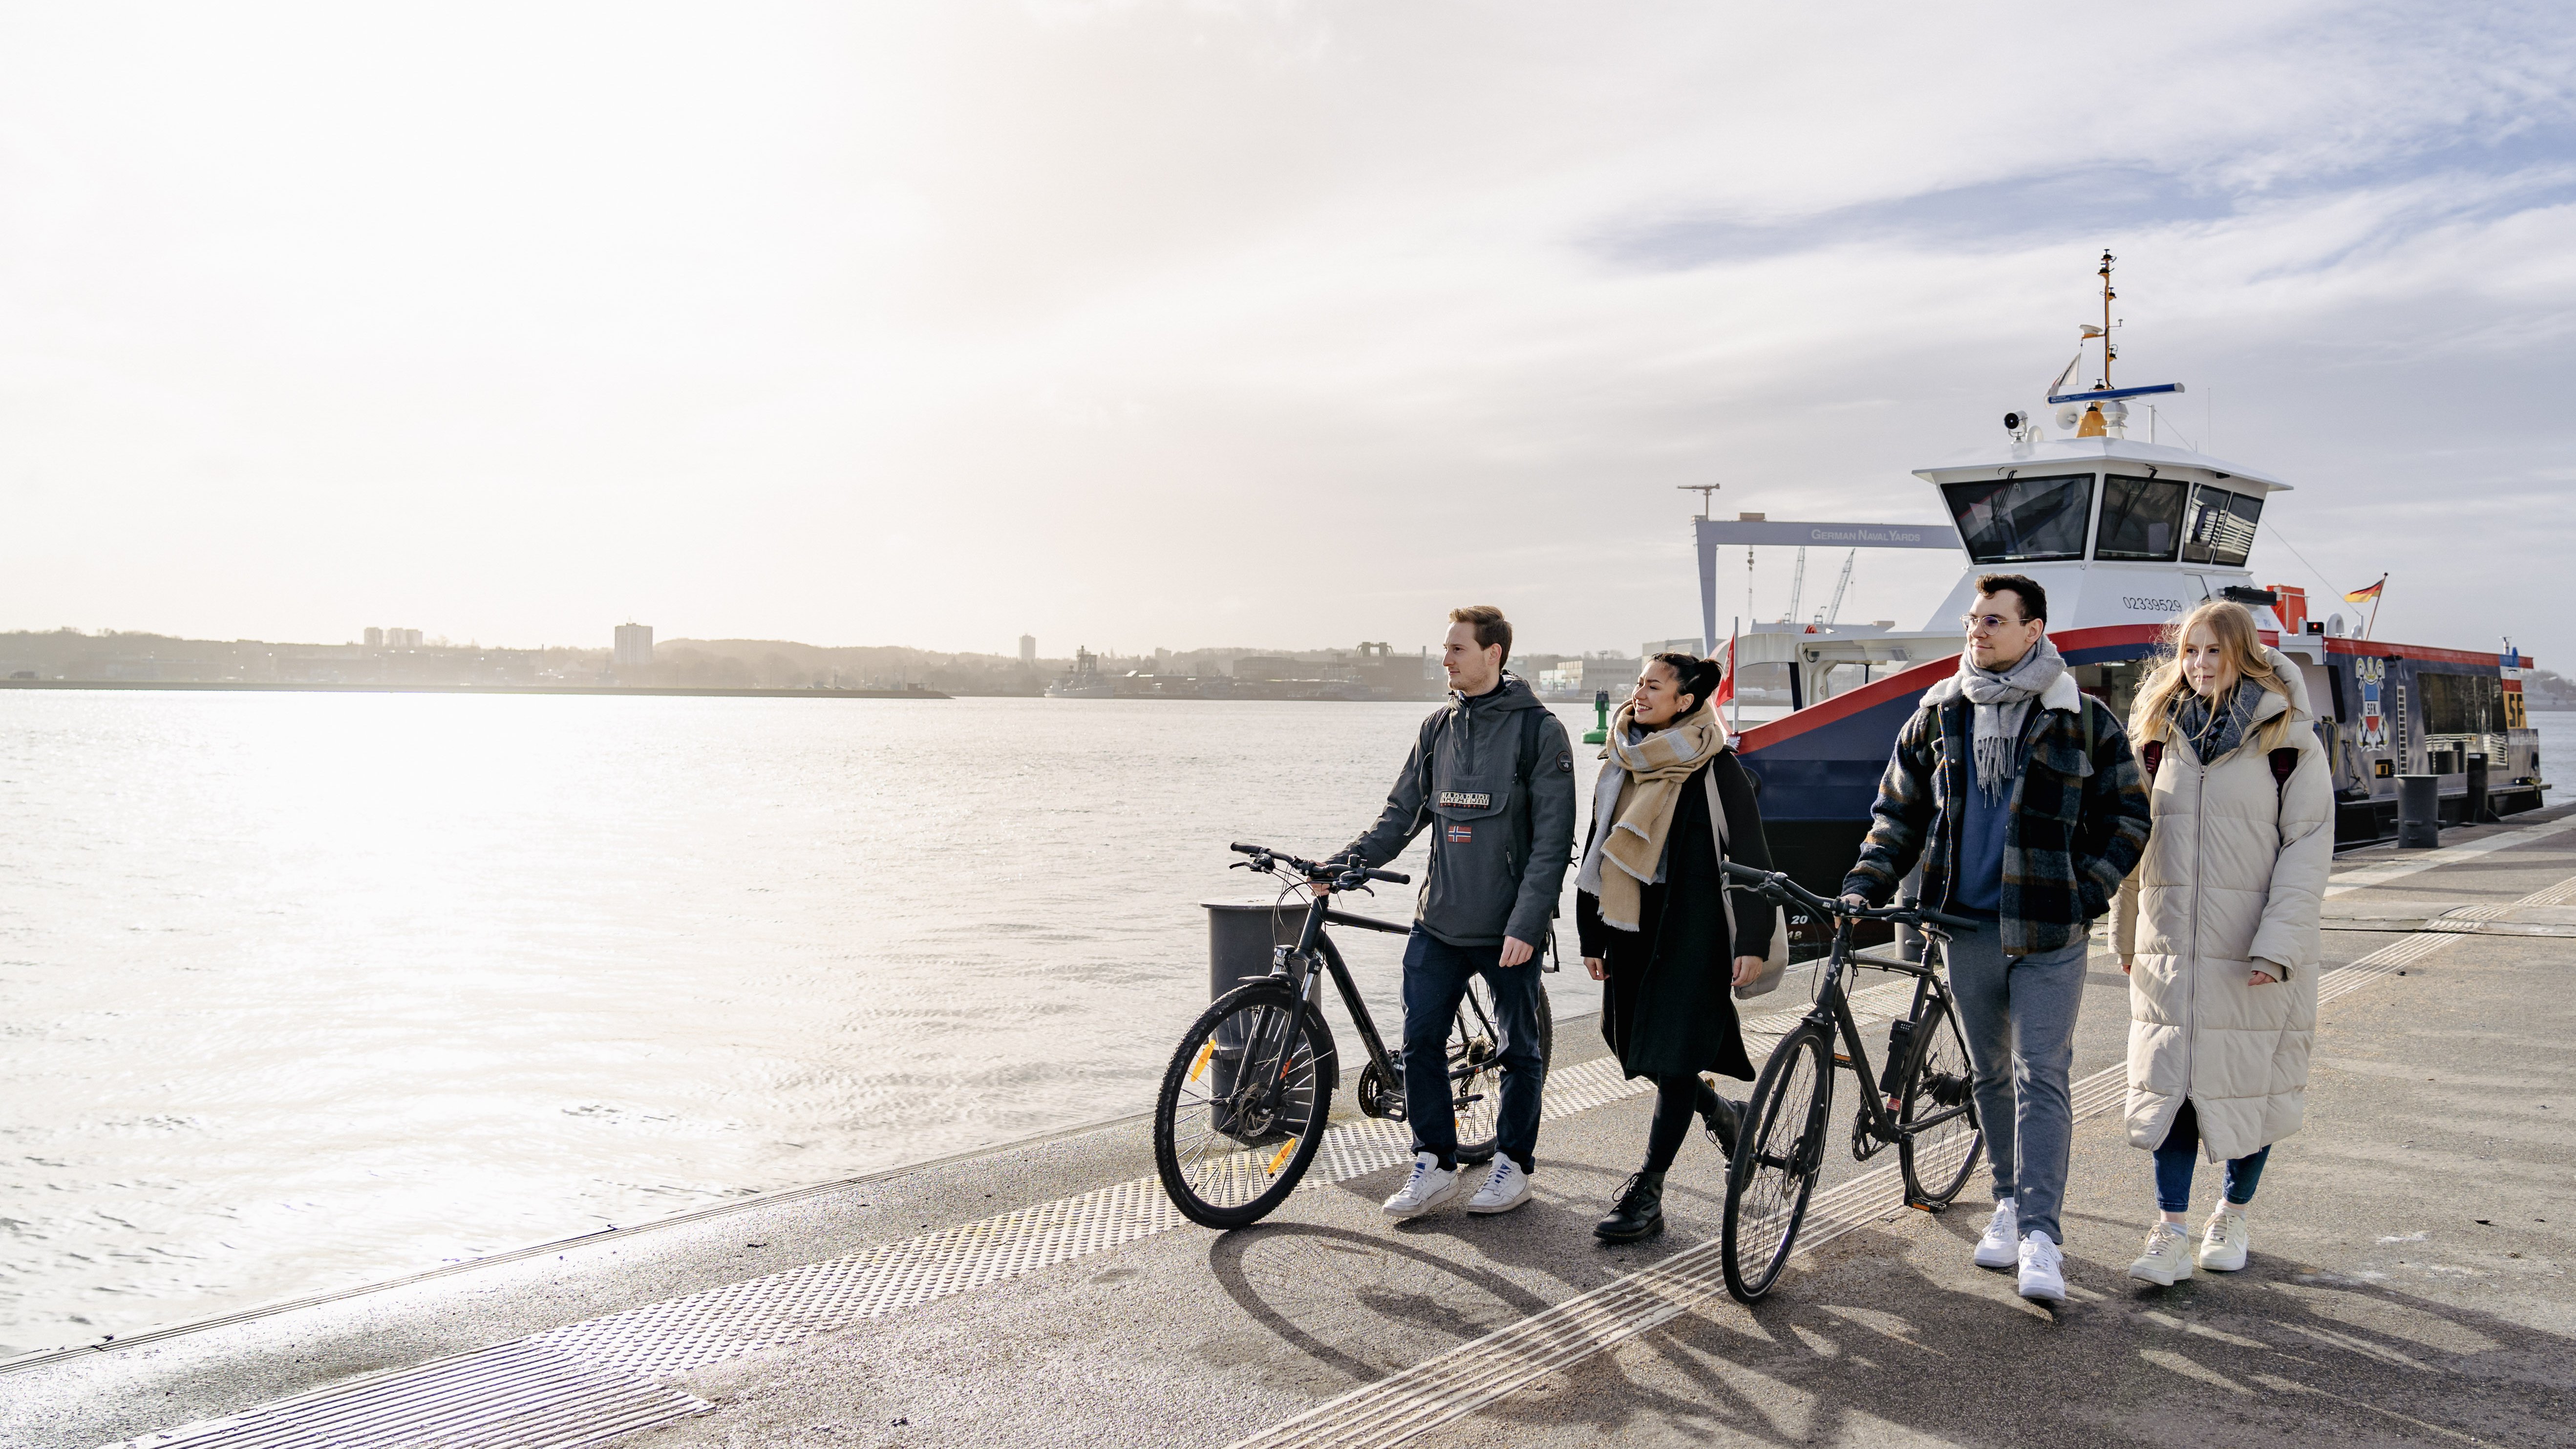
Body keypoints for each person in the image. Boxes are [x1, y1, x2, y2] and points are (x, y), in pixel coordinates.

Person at [1840, 573, 2150, 1303]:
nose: (1976, 631)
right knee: (1990, 1077)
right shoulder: (1938, 714)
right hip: (1965, 925)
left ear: (2033, 630)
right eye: (1973, 620)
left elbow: (2129, 816)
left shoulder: (2082, 718)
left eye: (1993, 620)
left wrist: (2086, 890)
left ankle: (2043, 1235)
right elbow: (1898, 815)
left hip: (2049, 929)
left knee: (2044, 1074)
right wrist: (1864, 884)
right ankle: (2007, 1203)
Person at [1332, 605, 1576, 1220]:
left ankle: (1514, 1165)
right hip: (1437, 920)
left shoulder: (1537, 732)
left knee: (1518, 1050)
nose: (1445, 659)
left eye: (1456, 649)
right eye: (1446, 649)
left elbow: (1553, 841)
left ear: (1493, 654)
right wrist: (1340, 866)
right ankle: (1435, 1161)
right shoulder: (1436, 728)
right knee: (1418, 1042)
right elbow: (1400, 816)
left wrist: (1527, 923)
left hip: (1505, 929)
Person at [2114, 600, 2330, 1285]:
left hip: (2252, 947)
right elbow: (2133, 843)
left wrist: (2279, 944)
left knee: (2250, 1086)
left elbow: (2307, 845)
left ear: (2243, 653)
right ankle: (2170, 1229)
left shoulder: (2290, 738)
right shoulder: (2155, 734)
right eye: (2190, 651)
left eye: (2214, 651)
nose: (2200, 665)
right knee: (2170, 1088)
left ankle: (2233, 1211)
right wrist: (2125, 934)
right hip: (2170, 943)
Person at [1574, 652, 1774, 1243]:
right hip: (1630, 927)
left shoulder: (1715, 767)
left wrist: (1754, 940)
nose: (1640, 693)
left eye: (1653, 685)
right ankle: (1721, 1112)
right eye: (1639, 682)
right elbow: (1596, 849)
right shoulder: (1618, 761)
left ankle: (1648, 1191)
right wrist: (1590, 932)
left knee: (1678, 1052)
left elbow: (1753, 854)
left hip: (1695, 931)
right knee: (1629, 1040)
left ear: (1684, 700)